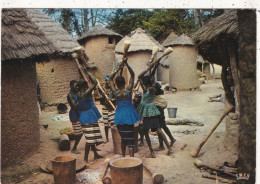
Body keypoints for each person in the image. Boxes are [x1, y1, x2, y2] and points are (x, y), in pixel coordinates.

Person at [138, 63, 172, 158]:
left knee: (145, 131)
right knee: (159, 130)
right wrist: (152, 68)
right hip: (153, 111)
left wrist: (147, 69)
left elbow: (139, 77)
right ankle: (169, 148)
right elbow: (152, 77)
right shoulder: (153, 88)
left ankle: (152, 152)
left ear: (144, 83)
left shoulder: (145, 90)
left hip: (147, 113)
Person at [109, 58, 140, 157]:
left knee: (123, 137)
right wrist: (126, 63)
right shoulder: (128, 91)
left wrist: (118, 69)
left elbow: (110, 79)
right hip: (129, 115)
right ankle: (131, 159)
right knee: (131, 139)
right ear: (124, 83)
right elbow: (133, 74)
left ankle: (123, 156)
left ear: (117, 84)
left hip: (120, 116)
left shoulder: (115, 92)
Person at [77, 72, 103, 163]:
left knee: (91, 136)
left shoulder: (79, 93)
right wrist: (88, 72)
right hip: (87, 117)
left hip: (87, 116)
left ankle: (95, 154)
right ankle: (85, 159)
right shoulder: (85, 93)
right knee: (89, 139)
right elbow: (95, 82)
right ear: (84, 86)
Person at [153, 82, 176, 151]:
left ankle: (161, 145)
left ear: (156, 89)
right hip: (161, 111)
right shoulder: (159, 94)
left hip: (158, 111)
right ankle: (171, 138)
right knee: (163, 126)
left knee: (159, 128)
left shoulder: (157, 95)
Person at [67, 80, 83, 154]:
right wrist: (81, 98)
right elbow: (75, 106)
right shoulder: (70, 95)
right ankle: (74, 148)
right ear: (71, 86)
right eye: (75, 86)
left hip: (80, 113)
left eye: (78, 86)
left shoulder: (77, 93)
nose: (77, 87)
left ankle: (92, 147)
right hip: (74, 115)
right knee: (79, 133)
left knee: (84, 130)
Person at [101, 75, 116, 143]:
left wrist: (111, 99)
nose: (107, 82)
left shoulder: (113, 89)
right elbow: (100, 100)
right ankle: (107, 138)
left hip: (111, 109)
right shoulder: (102, 89)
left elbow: (116, 99)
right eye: (106, 81)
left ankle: (114, 136)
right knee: (106, 124)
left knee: (113, 124)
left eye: (108, 81)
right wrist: (103, 98)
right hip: (105, 108)